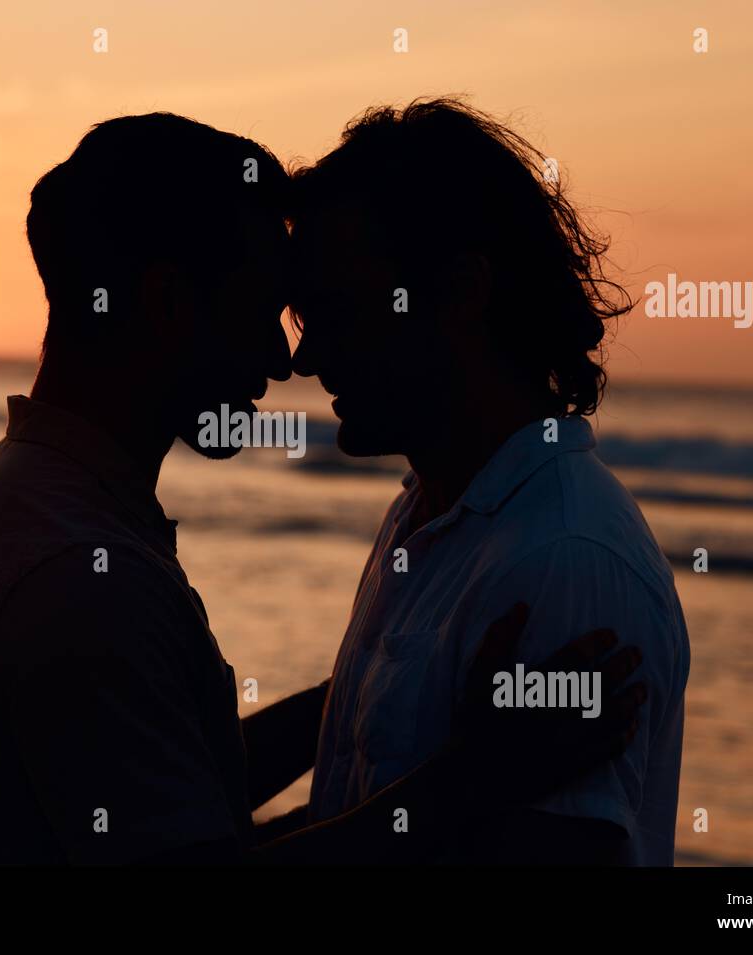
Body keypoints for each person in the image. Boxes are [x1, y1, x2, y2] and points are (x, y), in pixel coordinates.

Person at [0, 112, 642, 865]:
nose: (283, 358)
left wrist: (392, 694)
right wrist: (474, 776)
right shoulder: (82, 571)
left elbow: (162, 776)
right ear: (168, 304)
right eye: (262, 312)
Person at [288, 98, 691, 865]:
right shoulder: (428, 516)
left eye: (337, 311)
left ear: (462, 293)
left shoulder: (561, 560)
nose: (307, 361)